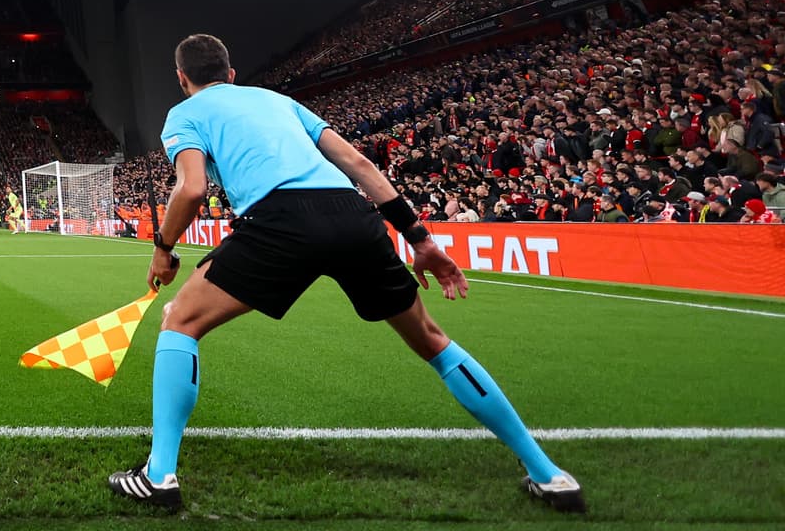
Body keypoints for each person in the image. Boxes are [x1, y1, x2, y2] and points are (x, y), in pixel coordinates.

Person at [107, 34, 584, 516]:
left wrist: (163, 249)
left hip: (279, 220)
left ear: (182, 78)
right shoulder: (280, 101)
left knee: (181, 322)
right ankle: (548, 473)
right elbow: (357, 163)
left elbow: (191, 188)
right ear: (231, 72)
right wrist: (420, 239)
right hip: (350, 213)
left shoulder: (184, 114)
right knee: (434, 342)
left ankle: (159, 474)